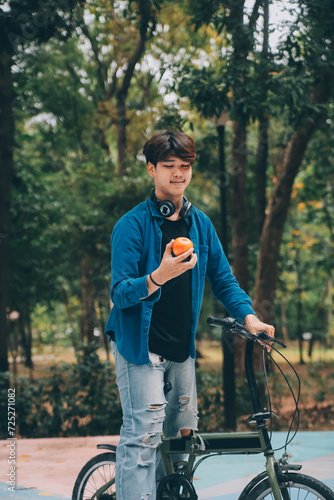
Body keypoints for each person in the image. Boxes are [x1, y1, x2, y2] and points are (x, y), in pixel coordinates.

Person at [105, 129, 275, 500]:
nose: (178, 174)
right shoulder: (131, 226)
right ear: (151, 169)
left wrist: (249, 318)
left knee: (184, 438)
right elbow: (119, 293)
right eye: (169, 166)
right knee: (144, 435)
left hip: (180, 348)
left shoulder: (201, 225)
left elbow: (224, 279)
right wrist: (157, 277)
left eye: (185, 166)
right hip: (140, 347)